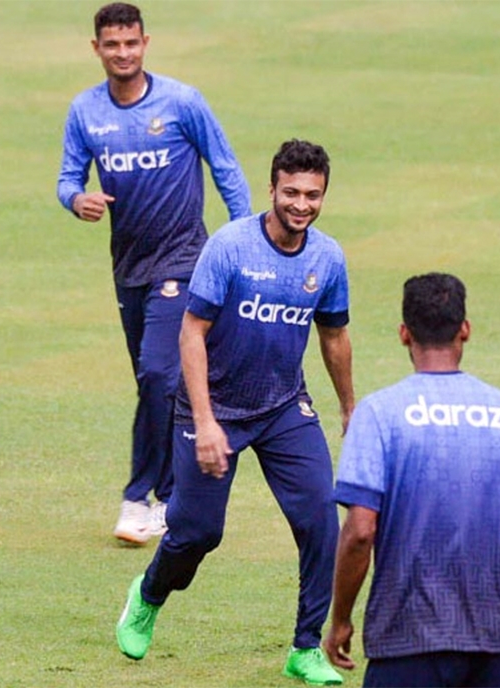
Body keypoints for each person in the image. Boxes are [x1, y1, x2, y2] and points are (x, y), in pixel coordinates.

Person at [115, 139, 353, 686]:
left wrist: (349, 407)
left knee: (321, 521)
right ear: (270, 189)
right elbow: (191, 333)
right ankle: (148, 594)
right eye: (291, 192)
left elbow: (335, 336)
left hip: (283, 407)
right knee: (198, 533)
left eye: (313, 195)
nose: (301, 204)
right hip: (214, 406)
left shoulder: (327, 258)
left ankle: (305, 646)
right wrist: (204, 423)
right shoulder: (229, 247)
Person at [57, 2, 252, 545]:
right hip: (129, 268)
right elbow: (67, 177)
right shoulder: (86, 112)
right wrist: (78, 200)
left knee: (159, 374)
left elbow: (225, 166)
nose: (123, 53)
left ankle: (137, 497)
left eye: (132, 43)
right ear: (96, 49)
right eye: (112, 45)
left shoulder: (181, 102)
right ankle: (171, 498)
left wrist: (242, 238)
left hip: (184, 260)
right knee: (158, 385)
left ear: (146, 43)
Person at [325, 273, 500, 688]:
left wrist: (341, 619)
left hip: (403, 640)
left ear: (403, 334)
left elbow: (360, 531)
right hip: (491, 644)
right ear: (465, 330)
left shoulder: (380, 414)